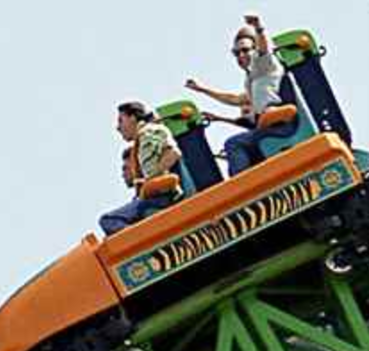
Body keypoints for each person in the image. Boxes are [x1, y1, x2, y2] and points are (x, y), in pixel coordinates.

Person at [186, 14, 289, 175]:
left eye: (245, 50)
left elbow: (264, 49)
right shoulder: (252, 79)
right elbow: (235, 99)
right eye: (236, 53)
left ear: (254, 49)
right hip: (267, 126)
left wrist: (258, 28)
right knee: (241, 148)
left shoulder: (264, 64)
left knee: (233, 144)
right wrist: (202, 89)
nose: (241, 55)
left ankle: (245, 185)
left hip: (278, 124)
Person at [98, 101, 181, 236]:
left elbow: (173, 154)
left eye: (121, 121)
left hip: (160, 196)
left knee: (109, 220)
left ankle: (144, 240)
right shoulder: (143, 137)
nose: (118, 127)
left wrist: (151, 180)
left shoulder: (148, 132)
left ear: (133, 118)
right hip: (155, 194)